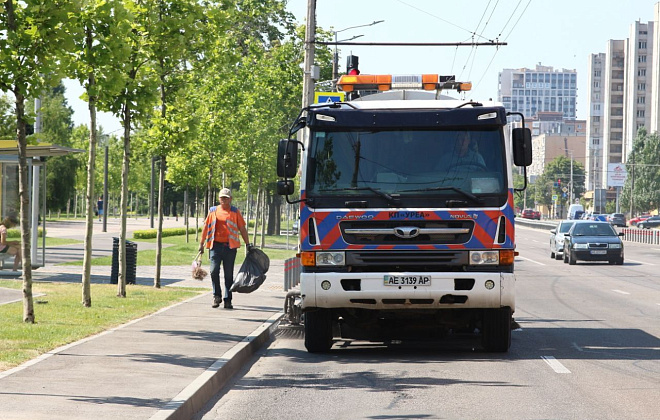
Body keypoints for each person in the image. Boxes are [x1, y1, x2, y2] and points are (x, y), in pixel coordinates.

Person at [199, 188, 252, 309]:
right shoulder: (213, 211)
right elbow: (206, 228)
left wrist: (248, 244)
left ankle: (228, 299)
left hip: (230, 247)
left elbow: (242, 229)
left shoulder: (235, 212)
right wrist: (201, 244)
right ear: (219, 199)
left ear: (230, 199)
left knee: (228, 275)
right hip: (215, 246)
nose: (224, 200)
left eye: (226, 198)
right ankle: (216, 296)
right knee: (213, 271)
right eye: (222, 197)